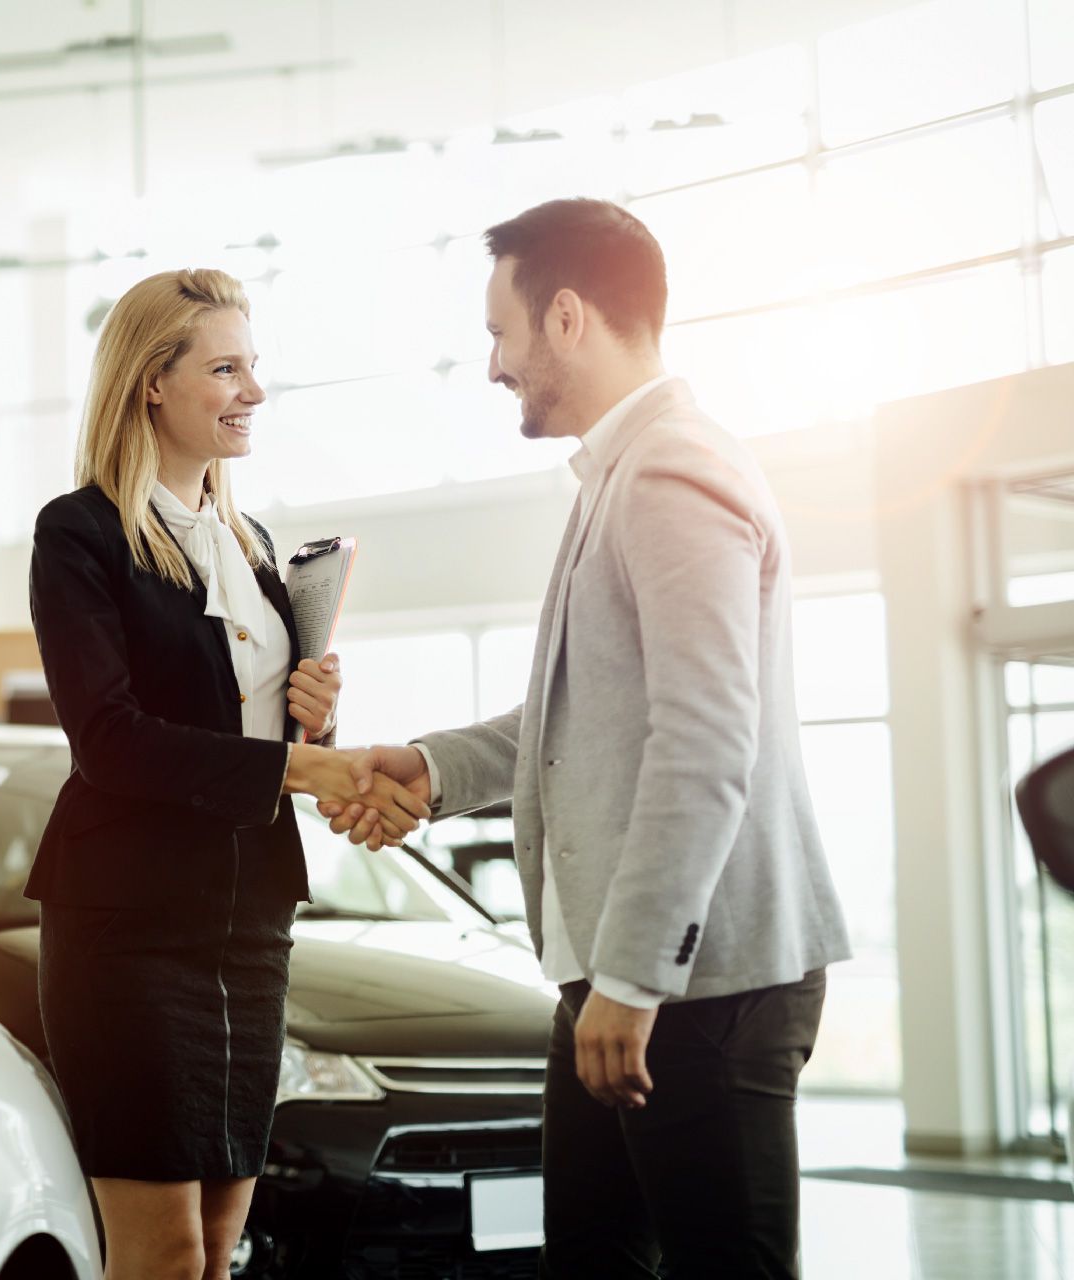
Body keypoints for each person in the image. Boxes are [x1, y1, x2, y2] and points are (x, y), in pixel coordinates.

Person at [327, 199, 850, 1278]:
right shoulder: (622, 471)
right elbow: (585, 718)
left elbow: (705, 735)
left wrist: (632, 976)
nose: (492, 366)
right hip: (635, 978)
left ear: (565, 317)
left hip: (695, 985)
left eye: (498, 333)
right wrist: (431, 769)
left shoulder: (670, 471)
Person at [26, 267, 431, 1280]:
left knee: (217, 1249)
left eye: (255, 367)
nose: (253, 390)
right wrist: (298, 764)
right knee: (158, 1254)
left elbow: (246, 721)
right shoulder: (80, 534)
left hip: (251, 924)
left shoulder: (250, 545)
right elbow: (108, 738)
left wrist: (313, 710)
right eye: (226, 368)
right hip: (130, 930)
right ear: (151, 384)